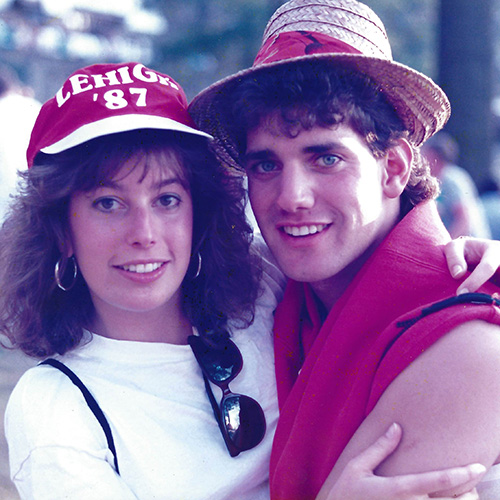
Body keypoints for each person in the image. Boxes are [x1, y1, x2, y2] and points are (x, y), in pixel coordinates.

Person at [0, 62, 491, 500]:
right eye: (108, 203)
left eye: (167, 199)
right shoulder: (54, 407)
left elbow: (362, 256)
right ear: (61, 229)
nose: (143, 235)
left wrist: (465, 259)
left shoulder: (261, 288)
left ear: (200, 210)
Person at [189, 0, 500, 498]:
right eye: (266, 166)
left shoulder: (466, 339)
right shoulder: (280, 293)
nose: (291, 197)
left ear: (394, 169)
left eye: (326, 158)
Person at [422, 131, 491, 239]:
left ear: (437, 159)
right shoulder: (435, 179)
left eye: (427, 157)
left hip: (469, 243)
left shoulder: (452, 180)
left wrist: (447, 244)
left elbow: (464, 220)